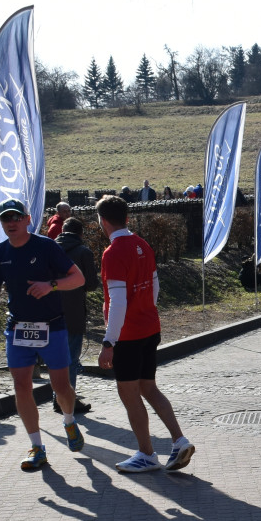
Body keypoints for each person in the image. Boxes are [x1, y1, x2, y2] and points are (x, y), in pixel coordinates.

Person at [0, 199, 86, 471]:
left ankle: (68, 420)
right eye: (6, 218)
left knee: (61, 387)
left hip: (52, 326)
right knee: (21, 386)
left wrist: (50, 285)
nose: (11, 223)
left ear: (28, 219)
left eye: (16, 217)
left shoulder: (46, 246)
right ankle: (37, 447)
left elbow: (78, 278)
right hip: (18, 328)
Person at [95, 195, 195, 473]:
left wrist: (108, 341)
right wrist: (144, 310)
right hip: (150, 327)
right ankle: (179, 440)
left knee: (129, 394)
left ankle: (147, 454)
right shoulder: (143, 244)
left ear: (102, 221)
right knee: (149, 387)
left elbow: (117, 302)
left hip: (128, 336)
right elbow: (154, 287)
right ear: (127, 217)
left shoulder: (112, 253)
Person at [54, 217, 99, 414]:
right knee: (71, 358)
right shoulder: (83, 252)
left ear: (62, 231)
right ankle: (67, 401)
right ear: (81, 233)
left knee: (56, 359)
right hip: (73, 312)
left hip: (51, 312)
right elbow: (91, 284)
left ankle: (57, 397)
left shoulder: (50, 249)